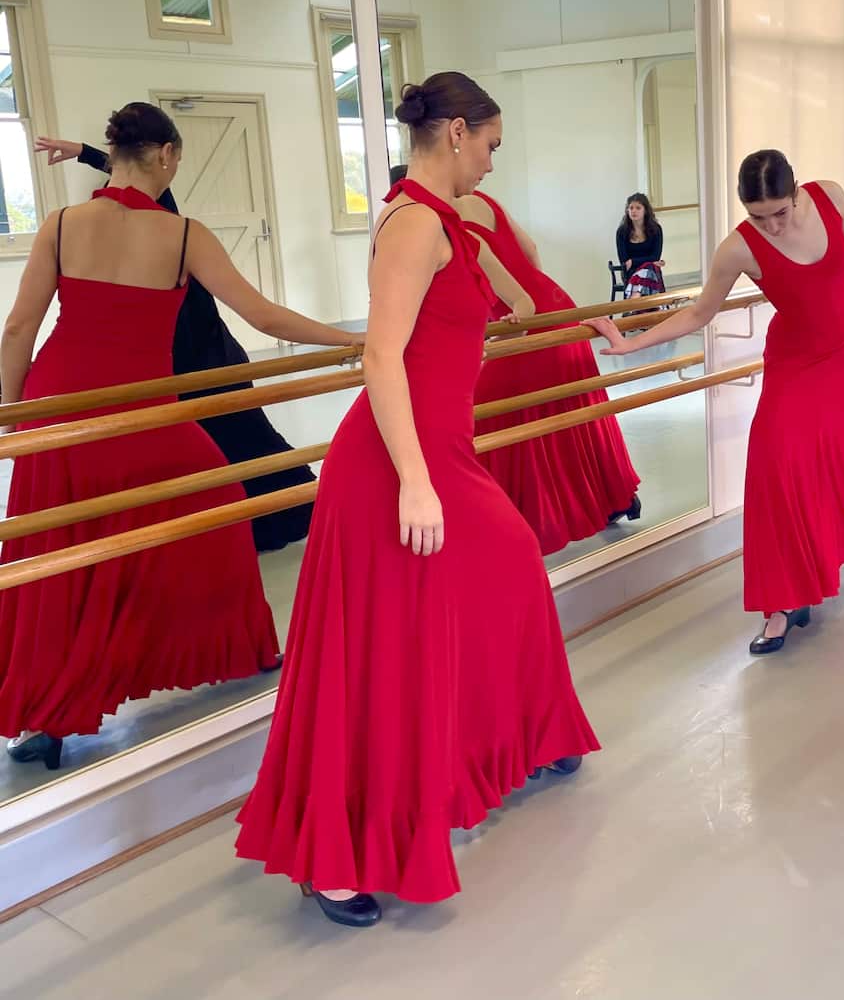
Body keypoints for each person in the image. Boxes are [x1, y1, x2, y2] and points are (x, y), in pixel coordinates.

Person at [235, 73, 599, 929]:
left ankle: (510, 742)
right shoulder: (411, 225)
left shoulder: (448, 224)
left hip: (438, 455)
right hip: (398, 466)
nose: (492, 164)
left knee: (503, 577)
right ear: (458, 134)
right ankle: (333, 858)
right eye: (491, 147)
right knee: (379, 650)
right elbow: (381, 359)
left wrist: (594, 324)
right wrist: (416, 481)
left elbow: (513, 300)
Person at [0, 103, 358, 771]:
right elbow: (261, 311)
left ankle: (48, 721)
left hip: (56, 409)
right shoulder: (183, 234)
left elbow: (19, 328)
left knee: (62, 557)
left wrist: (14, 420)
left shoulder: (60, 225)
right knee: (213, 512)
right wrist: (352, 338)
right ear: (164, 156)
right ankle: (234, 649)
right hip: (140, 412)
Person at [598, 152, 844, 655]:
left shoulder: (830, 195)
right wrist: (629, 342)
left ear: (797, 191)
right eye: (759, 216)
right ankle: (782, 603)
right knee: (780, 471)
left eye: (780, 211)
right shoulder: (738, 248)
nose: (772, 224)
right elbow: (697, 314)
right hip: (797, 364)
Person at [34, 135, 322, 554]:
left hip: (206, 357)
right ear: (167, 154)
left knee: (246, 441)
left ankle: (278, 516)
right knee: (215, 452)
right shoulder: (123, 229)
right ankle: (247, 523)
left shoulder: (163, 221)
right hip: (176, 366)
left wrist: (85, 152)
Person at [456, 186, 643, 554]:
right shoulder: (485, 200)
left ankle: (502, 524)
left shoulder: (442, 222)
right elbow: (531, 251)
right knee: (571, 414)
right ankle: (615, 498)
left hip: (520, 321)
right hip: (554, 307)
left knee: (486, 416)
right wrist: (534, 296)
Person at [615, 193, 665, 299]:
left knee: (649, 268)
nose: (633, 211)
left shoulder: (656, 230)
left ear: (645, 210)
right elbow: (624, 262)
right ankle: (653, 308)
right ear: (627, 211)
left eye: (638, 208)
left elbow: (655, 257)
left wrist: (633, 261)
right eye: (631, 208)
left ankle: (635, 302)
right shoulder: (622, 232)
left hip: (651, 271)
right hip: (632, 273)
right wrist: (647, 262)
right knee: (649, 267)